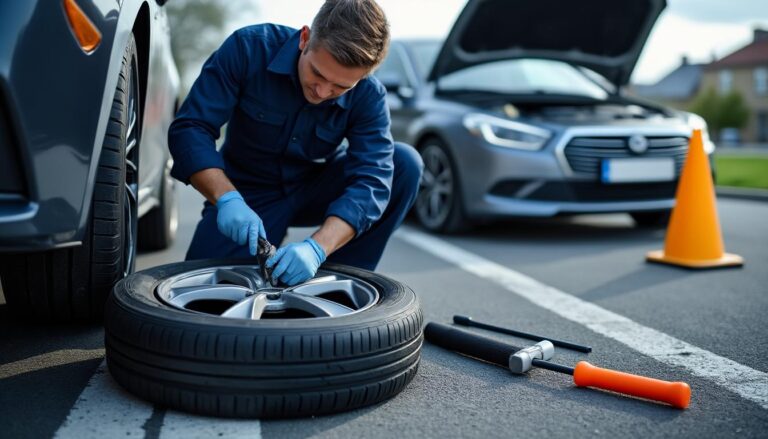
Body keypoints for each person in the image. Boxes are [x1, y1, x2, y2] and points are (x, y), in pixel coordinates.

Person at [168, 0, 423, 286]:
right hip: (247, 195)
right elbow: (191, 127)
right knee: (199, 294)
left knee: (404, 164)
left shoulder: (369, 95)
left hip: (315, 188)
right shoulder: (248, 48)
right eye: (318, 73)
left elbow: (373, 180)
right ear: (304, 38)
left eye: (341, 87)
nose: (323, 91)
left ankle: (342, 280)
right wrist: (226, 198)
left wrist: (318, 248)